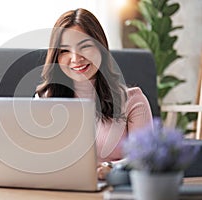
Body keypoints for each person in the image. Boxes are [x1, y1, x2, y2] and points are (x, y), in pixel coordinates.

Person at [35, 8, 153, 179]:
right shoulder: (44, 100)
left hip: (114, 190)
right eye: (65, 51)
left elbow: (145, 159)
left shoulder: (133, 101)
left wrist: (110, 168)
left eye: (85, 46)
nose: (76, 58)